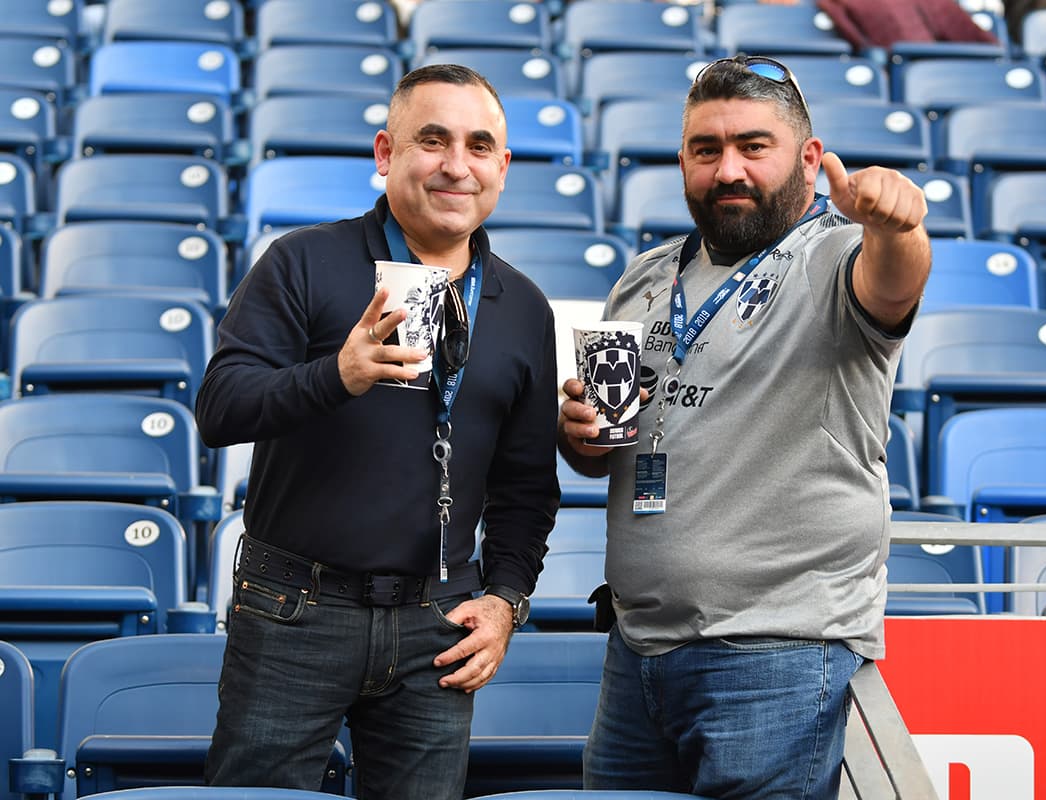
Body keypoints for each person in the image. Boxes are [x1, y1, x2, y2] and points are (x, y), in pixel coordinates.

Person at [558, 55, 931, 800]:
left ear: (810, 158)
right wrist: (583, 435)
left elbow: (894, 282)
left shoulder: (836, 256)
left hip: (774, 654)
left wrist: (898, 225)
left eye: (754, 146)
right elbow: (606, 452)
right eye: (707, 149)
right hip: (637, 648)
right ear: (683, 161)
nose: (729, 169)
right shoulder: (644, 276)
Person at [198, 64, 560, 800]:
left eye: (479, 145)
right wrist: (338, 374)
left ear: (503, 167)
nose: (457, 165)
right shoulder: (302, 261)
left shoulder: (523, 306)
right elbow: (221, 408)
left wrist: (505, 601)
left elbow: (526, 490)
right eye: (433, 140)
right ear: (385, 153)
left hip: (441, 622)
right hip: (293, 609)